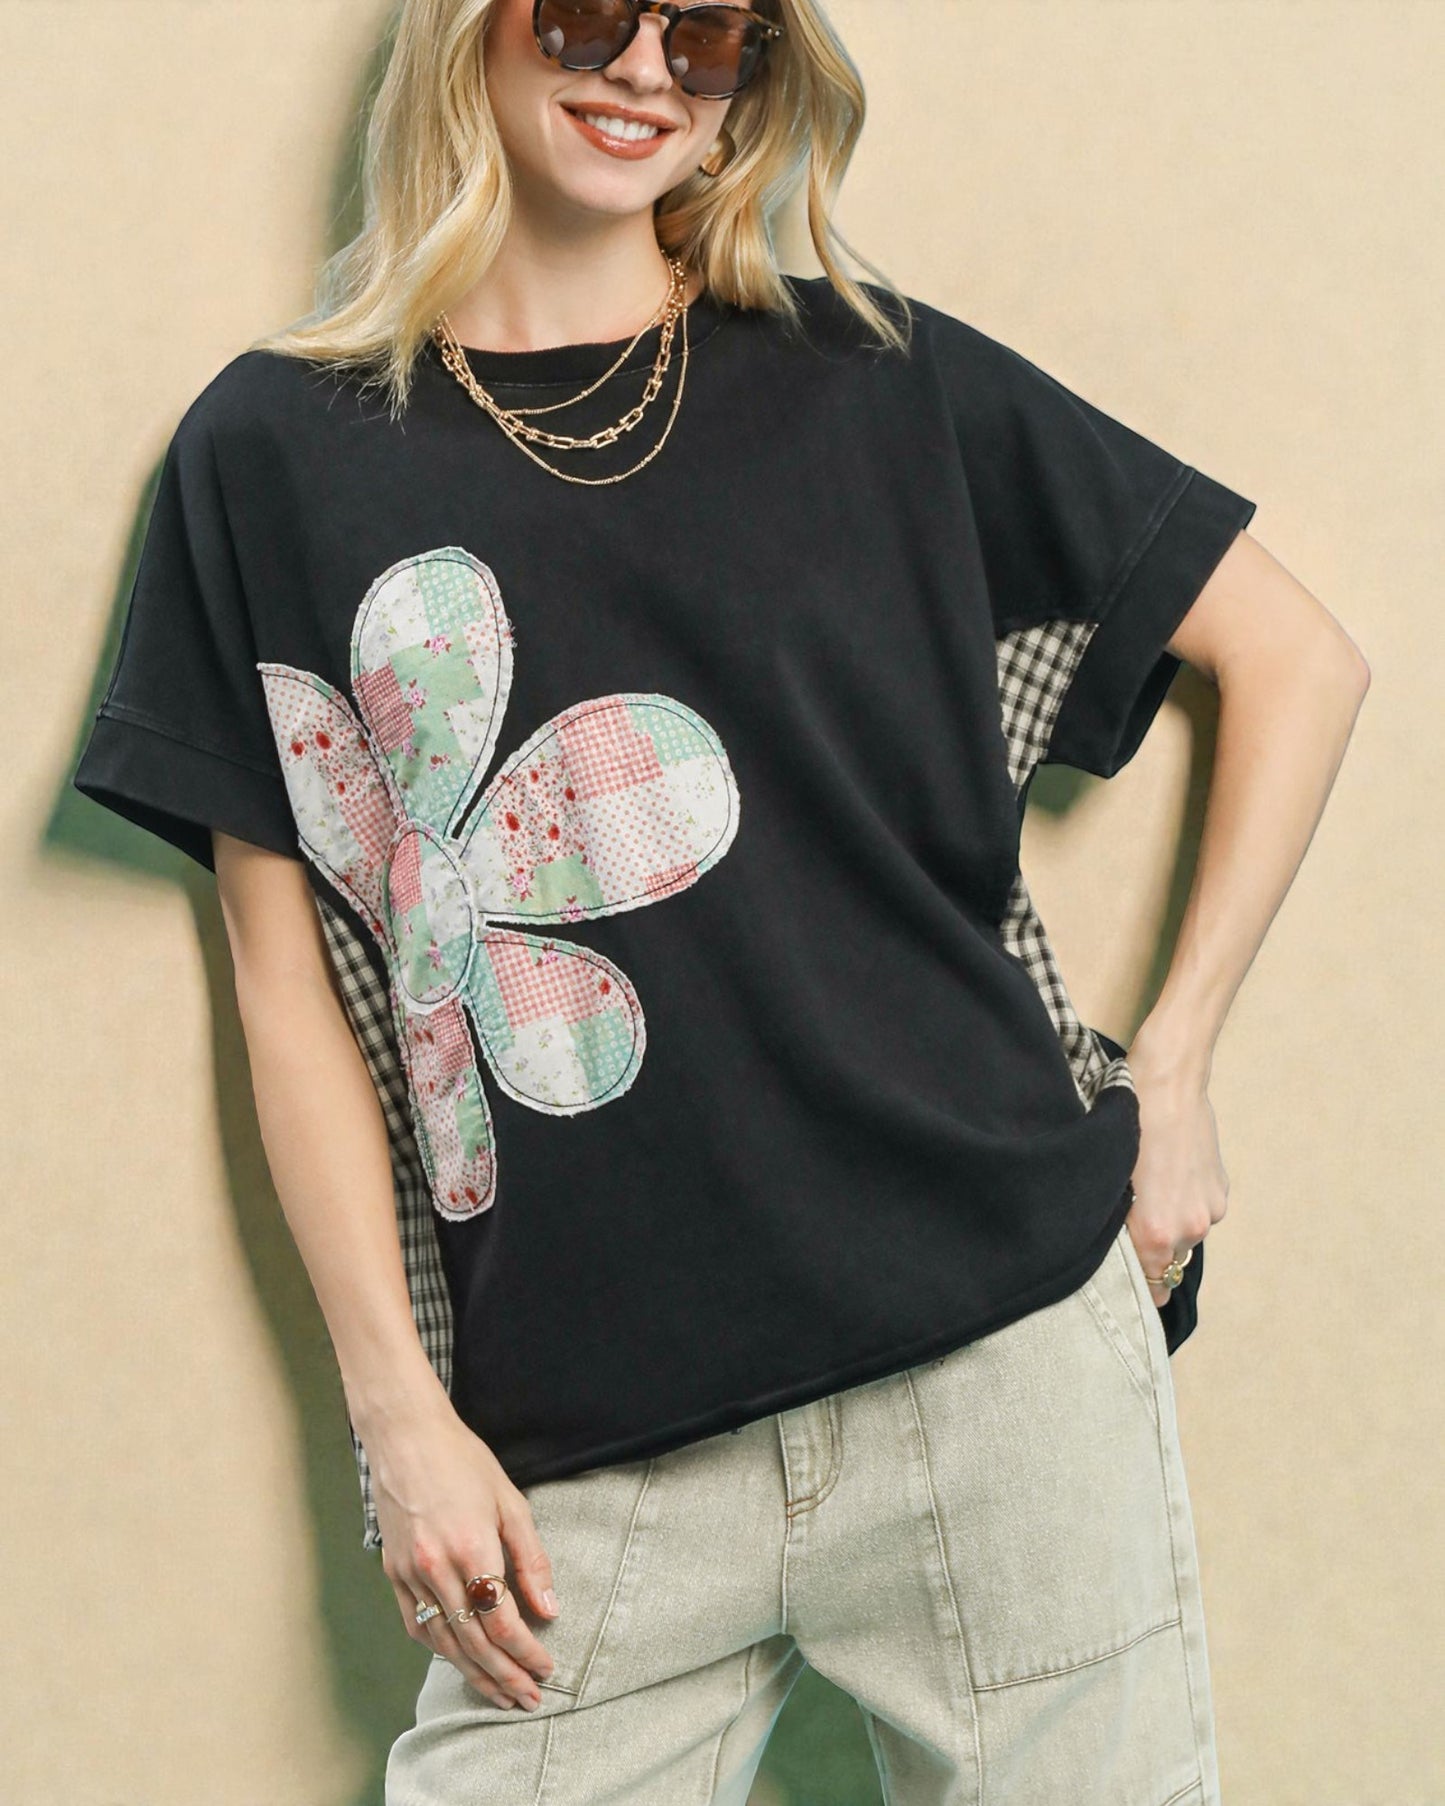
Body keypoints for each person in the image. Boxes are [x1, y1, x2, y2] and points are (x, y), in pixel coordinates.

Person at [71, 1, 1370, 1800]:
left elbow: (1297, 657)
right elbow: (284, 987)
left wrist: (1180, 1065)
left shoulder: (870, 374)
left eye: (706, 37)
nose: (643, 72)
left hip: (1000, 1375)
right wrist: (397, 1414)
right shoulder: (273, 452)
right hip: (592, 1468)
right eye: (591, 13)